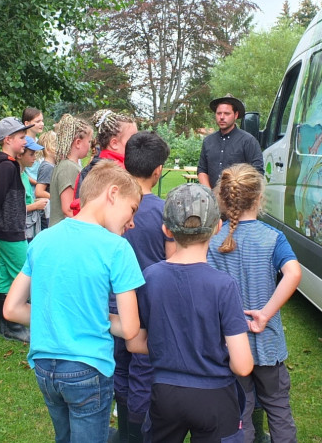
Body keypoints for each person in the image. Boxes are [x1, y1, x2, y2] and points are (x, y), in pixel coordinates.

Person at [3, 161, 145, 442]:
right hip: (88, 368)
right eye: (132, 209)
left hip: (45, 367)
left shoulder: (44, 239)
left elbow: (12, 308)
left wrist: (58, 316)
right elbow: (130, 329)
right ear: (113, 194)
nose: (133, 222)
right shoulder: (117, 248)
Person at [126, 183, 254, 442]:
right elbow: (243, 365)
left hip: (165, 393)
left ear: (167, 230)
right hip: (215, 396)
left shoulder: (150, 277)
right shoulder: (223, 285)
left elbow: (135, 342)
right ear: (218, 227)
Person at [207, 163, 301, 443]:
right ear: (259, 198)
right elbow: (293, 273)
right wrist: (265, 314)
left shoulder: (214, 243)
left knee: (240, 413)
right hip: (268, 346)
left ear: (222, 199)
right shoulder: (272, 238)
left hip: (231, 349)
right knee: (278, 409)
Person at [113, 131, 175, 442]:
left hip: (113, 304)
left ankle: (124, 429)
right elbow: (172, 262)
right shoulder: (165, 211)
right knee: (142, 368)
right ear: (158, 170)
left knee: (119, 367)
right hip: (149, 304)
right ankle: (136, 431)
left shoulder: (109, 207)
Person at [0, 117, 32, 342]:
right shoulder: (6, 167)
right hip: (9, 231)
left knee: (5, 277)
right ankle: (17, 323)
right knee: (25, 274)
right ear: (8, 140)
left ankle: (7, 326)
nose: (25, 141)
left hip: (6, 229)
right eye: (21, 138)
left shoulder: (7, 165)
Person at [71, 109, 137, 215]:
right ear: (114, 143)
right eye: (133, 139)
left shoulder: (87, 169)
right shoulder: (120, 173)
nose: (136, 143)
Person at [197, 94, 263, 188]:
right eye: (219, 113)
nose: (222, 117)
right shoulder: (208, 141)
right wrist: (210, 194)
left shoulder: (248, 141)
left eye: (227, 113)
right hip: (212, 198)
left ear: (236, 115)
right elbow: (202, 170)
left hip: (239, 198)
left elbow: (257, 172)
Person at [48, 114, 92, 226]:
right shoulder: (68, 167)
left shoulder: (66, 165)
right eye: (89, 141)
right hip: (64, 233)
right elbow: (68, 209)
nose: (90, 146)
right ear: (78, 143)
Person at [19, 135, 48, 241]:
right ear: (20, 155)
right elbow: (14, 208)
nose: (34, 158)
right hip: (24, 228)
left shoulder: (24, 175)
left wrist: (36, 202)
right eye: (31, 154)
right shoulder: (16, 177)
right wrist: (35, 205)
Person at [34, 130, 56, 230]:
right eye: (56, 145)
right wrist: (56, 198)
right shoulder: (47, 167)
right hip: (47, 214)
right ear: (48, 149)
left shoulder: (52, 165)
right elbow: (39, 191)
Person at [22, 107, 45, 182]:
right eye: (38, 121)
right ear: (27, 123)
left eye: (42, 121)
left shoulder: (39, 142)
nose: (42, 124)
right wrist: (38, 184)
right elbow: (21, 172)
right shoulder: (23, 143)